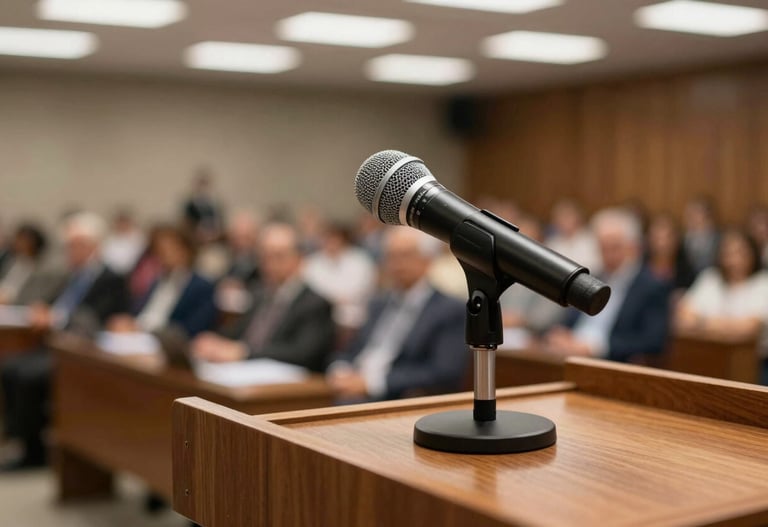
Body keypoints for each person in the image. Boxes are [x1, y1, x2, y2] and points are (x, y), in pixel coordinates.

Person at [1, 212, 129, 471]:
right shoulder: (74, 274)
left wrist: (55, 318)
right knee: (9, 367)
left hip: (82, 351)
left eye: (74, 245)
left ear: (92, 245)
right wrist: (43, 309)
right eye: (68, 245)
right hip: (57, 344)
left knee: (26, 375)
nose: (69, 251)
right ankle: (21, 439)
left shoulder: (110, 277)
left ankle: (34, 451)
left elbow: (95, 317)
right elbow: (59, 304)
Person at [327, 227, 468, 402]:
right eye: (391, 256)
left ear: (428, 260)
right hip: (352, 384)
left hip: (396, 396)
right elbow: (354, 349)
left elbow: (444, 372)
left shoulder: (449, 309)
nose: (397, 263)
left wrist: (372, 383)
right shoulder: (378, 302)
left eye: (406, 255)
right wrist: (340, 369)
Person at [191, 223, 334, 372]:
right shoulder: (259, 293)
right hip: (240, 371)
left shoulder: (315, 303)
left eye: (278, 256)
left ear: (299, 259)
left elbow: (302, 353)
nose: (270, 263)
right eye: (264, 256)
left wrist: (244, 353)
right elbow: (239, 332)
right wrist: (215, 341)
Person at [543, 208, 671, 363]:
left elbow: (653, 342)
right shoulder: (590, 277)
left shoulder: (651, 286)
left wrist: (596, 348)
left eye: (615, 247)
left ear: (632, 246)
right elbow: (570, 320)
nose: (608, 254)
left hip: (611, 363)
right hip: (569, 354)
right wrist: (562, 334)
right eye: (603, 248)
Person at [107, 226, 216, 338]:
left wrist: (144, 330)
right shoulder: (158, 281)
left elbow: (190, 329)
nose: (162, 255)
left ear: (186, 251)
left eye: (169, 249)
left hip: (164, 341)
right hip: (137, 335)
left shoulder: (201, 287)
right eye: (159, 250)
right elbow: (139, 312)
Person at [676, 229, 768, 347]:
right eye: (728, 253)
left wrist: (702, 323)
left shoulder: (763, 282)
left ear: (753, 254)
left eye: (740, 253)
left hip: (753, 358)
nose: (735, 260)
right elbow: (684, 315)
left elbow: (750, 327)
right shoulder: (710, 278)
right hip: (708, 351)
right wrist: (725, 326)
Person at [303, 221, 376, 332]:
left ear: (343, 239)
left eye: (335, 238)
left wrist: (334, 298)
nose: (331, 242)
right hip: (318, 316)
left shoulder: (360, 260)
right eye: (327, 238)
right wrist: (334, 299)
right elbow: (310, 291)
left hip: (352, 318)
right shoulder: (312, 262)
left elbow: (360, 291)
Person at [500, 214, 566, 334]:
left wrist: (520, 320)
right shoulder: (504, 270)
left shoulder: (551, 275)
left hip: (534, 338)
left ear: (540, 243)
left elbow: (545, 318)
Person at [545, 199, 602, 274]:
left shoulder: (591, 240)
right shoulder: (551, 244)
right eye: (560, 217)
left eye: (567, 216)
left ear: (577, 218)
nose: (564, 221)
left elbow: (597, 266)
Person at [645, 213, 696, 292]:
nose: (663, 243)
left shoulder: (687, 272)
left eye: (668, 237)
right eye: (658, 238)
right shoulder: (638, 270)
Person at [0, 223, 48, 305]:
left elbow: (31, 297)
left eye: (22, 240)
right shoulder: (11, 260)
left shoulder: (39, 269)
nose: (17, 243)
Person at [182, 168, 223, 243]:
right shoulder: (190, 205)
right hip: (196, 240)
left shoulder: (214, 204)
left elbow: (219, 221)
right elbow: (187, 223)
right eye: (201, 184)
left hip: (213, 238)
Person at [102, 208, 147, 275]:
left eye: (124, 222)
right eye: (120, 222)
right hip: (110, 273)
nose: (122, 225)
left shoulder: (139, 240)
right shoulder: (110, 239)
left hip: (131, 273)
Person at [682, 196, 720, 275]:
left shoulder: (720, 240)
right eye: (689, 215)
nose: (692, 218)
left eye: (696, 213)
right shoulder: (681, 240)